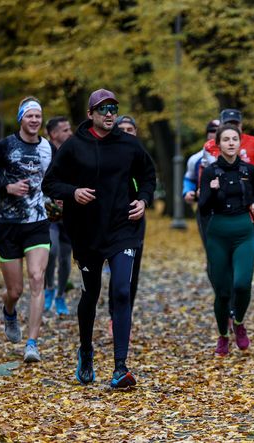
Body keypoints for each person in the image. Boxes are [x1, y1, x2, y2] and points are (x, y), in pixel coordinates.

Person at [42, 89, 156, 389]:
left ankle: (120, 367)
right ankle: (86, 350)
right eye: (103, 109)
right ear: (91, 114)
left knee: (121, 290)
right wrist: (73, 192)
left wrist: (143, 200)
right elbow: (50, 182)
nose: (109, 114)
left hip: (123, 229)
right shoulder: (73, 146)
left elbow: (148, 175)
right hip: (87, 232)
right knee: (90, 295)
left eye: (113, 108)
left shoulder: (129, 144)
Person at [0, 97, 52, 363]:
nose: (34, 120)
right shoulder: (5, 146)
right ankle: (9, 310)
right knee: (15, 291)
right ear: (21, 118)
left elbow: (51, 181)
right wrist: (5, 188)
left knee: (37, 278)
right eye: (29, 116)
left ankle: (32, 343)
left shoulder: (47, 148)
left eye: (38, 116)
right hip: (8, 225)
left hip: (38, 222)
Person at [198, 123, 254, 357]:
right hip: (218, 232)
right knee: (223, 292)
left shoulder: (249, 170)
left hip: (244, 230)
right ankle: (223, 336)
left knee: (242, 284)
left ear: (240, 142)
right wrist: (213, 191)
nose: (231, 143)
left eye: (235, 139)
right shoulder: (211, 172)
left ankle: (239, 322)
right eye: (226, 139)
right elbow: (203, 208)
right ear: (218, 144)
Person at [201, 109, 254, 243]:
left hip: (251, 201)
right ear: (220, 126)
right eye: (228, 124)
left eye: (236, 124)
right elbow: (204, 171)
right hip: (221, 204)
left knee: (251, 244)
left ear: (241, 125)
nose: (233, 127)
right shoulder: (210, 146)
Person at [107, 114, 144, 335]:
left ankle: (124, 315)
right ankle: (114, 314)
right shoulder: (106, 152)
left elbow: (148, 183)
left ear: (135, 132)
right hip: (109, 221)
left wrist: (143, 199)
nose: (126, 132)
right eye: (122, 129)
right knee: (117, 272)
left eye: (130, 129)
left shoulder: (140, 156)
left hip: (135, 219)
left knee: (132, 271)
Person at [43, 116, 74, 315]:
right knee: (51, 251)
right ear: (54, 134)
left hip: (71, 213)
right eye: (65, 130)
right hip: (49, 213)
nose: (70, 133)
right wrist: (51, 199)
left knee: (65, 257)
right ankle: (49, 289)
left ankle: (61, 295)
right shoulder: (43, 153)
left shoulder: (74, 152)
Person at [183, 119, 219, 246]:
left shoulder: (234, 157)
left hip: (229, 207)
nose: (214, 134)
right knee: (210, 245)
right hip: (205, 206)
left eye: (218, 131)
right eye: (212, 131)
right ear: (207, 134)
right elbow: (189, 178)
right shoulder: (196, 159)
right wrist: (187, 191)